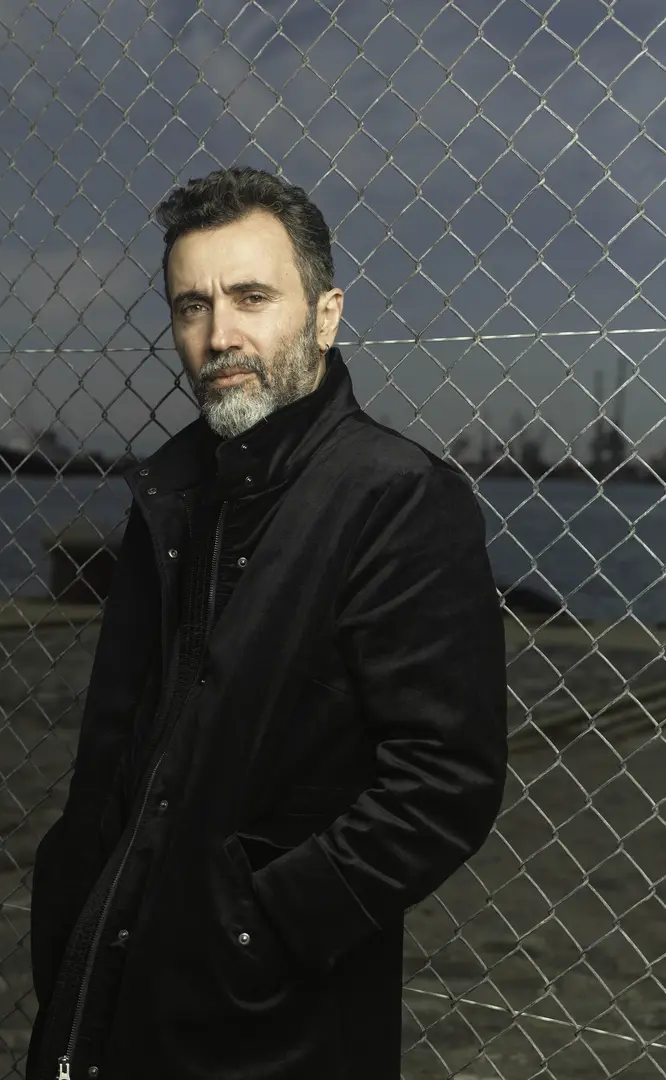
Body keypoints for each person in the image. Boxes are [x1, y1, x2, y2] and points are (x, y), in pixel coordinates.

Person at [25, 166, 508, 1080]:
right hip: (104, 983)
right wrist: (69, 895)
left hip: (271, 1027)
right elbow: (117, 750)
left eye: (252, 298)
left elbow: (447, 781)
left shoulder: (397, 498)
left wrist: (260, 928)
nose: (220, 336)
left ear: (325, 316)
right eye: (193, 306)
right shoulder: (169, 496)